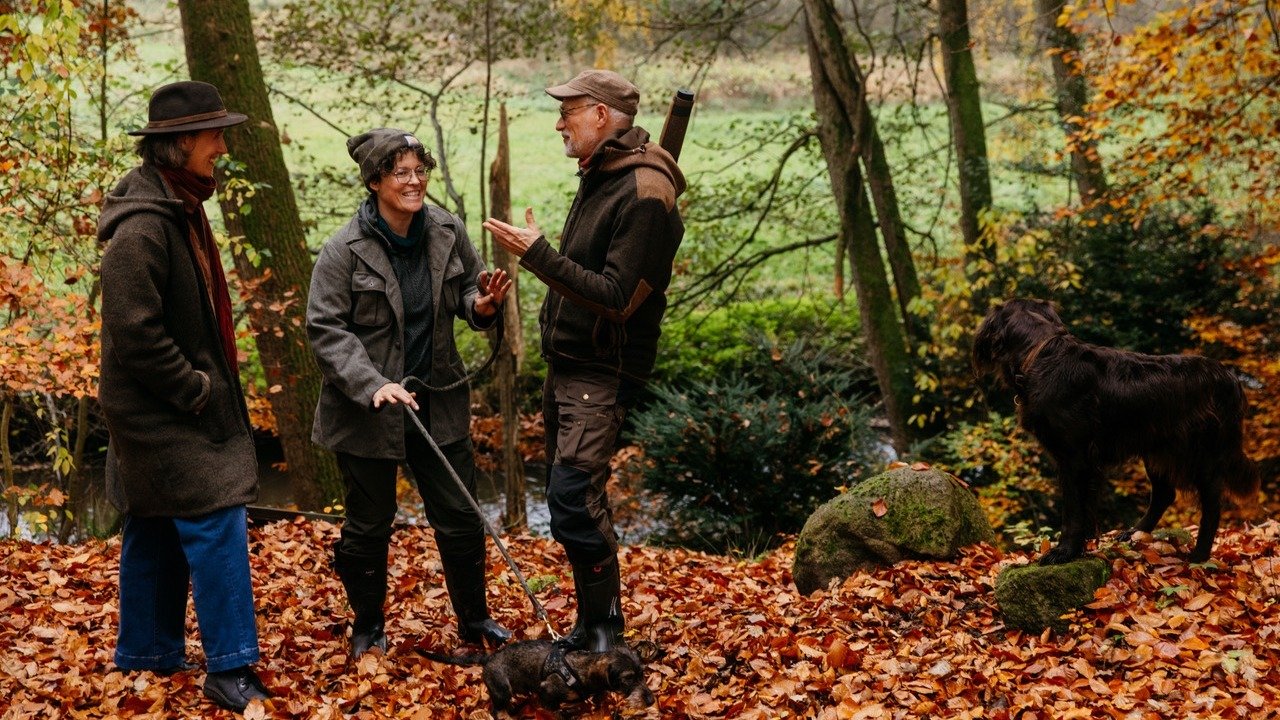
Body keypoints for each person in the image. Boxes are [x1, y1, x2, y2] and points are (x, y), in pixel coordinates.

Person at [483, 69, 685, 652]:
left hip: (603, 368)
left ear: (601, 115)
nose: (559, 123)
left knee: (573, 499)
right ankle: (592, 625)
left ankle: (604, 631)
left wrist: (538, 255)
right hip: (570, 362)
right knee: (572, 498)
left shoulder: (645, 190)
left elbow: (618, 298)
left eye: (568, 112)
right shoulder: (606, 172)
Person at [307, 128, 514, 660]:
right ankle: (368, 626)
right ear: (375, 181)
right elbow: (327, 330)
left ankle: (475, 621)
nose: (415, 180)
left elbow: (468, 291)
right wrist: (374, 384)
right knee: (368, 529)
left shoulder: (447, 229)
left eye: (420, 170)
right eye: (402, 172)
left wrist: (482, 307)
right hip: (367, 411)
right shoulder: (342, 250)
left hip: (438, 401)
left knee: (462, 517)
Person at [97, 80, 269, 712]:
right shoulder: (143, 228)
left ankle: (146, 652)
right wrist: (193, 388)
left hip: (168, 408)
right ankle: (230, 667)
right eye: (214, 135)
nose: (222, 146)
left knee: (155, 524)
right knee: (217, 517)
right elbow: (135, 332)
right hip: (160, 412)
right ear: (180, 144)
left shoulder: (180, 204)